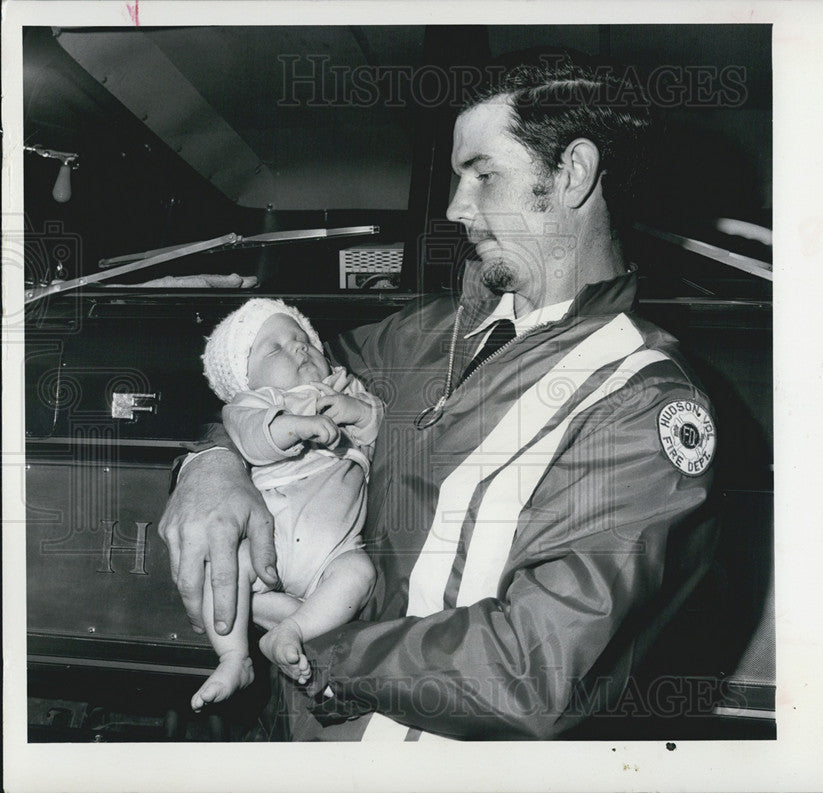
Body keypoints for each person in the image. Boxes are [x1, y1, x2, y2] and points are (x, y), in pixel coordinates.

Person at [159, 56, 719, 740]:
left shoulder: (641, 400)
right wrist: (208, 470)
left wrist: (320, 649)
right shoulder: (425, 334)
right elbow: (265, 381)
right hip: (307, 729)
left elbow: (532, 667)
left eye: (484, 176)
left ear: (571, 174)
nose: (455, 207)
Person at [189, 298, 382, 712]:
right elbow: (254, 435)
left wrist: (356, 411)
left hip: (332, 553)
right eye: (274, 349)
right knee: (224, 567)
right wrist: (294, 426)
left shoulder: (345, 387)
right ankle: (233, 658)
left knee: (358, 573)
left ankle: (290, 629)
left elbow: (376, 424)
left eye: (304, 341)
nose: (298, 348)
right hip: (266, 536)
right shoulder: (255, 402)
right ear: (247, 379)